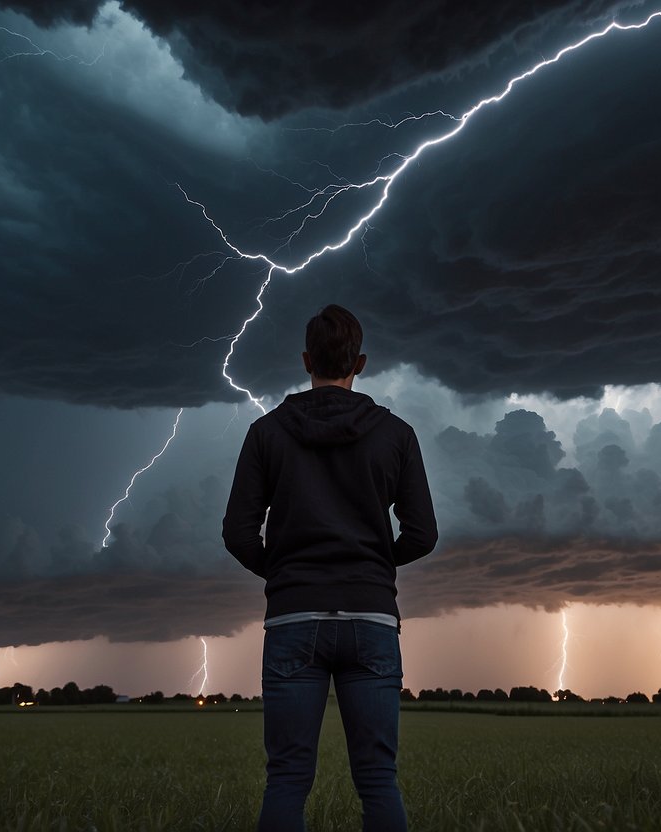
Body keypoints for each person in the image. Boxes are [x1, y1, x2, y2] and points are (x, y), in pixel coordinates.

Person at [222, 303, 438, 832]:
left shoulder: (266, 433)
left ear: (305, 360)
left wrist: (284, 572)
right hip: (371, 618)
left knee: (288, 777)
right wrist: (373, 562)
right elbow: (423, 535)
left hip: (294, 619)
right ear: (359, 363)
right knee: (377, 777)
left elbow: (237, 533)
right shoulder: (397, 435)